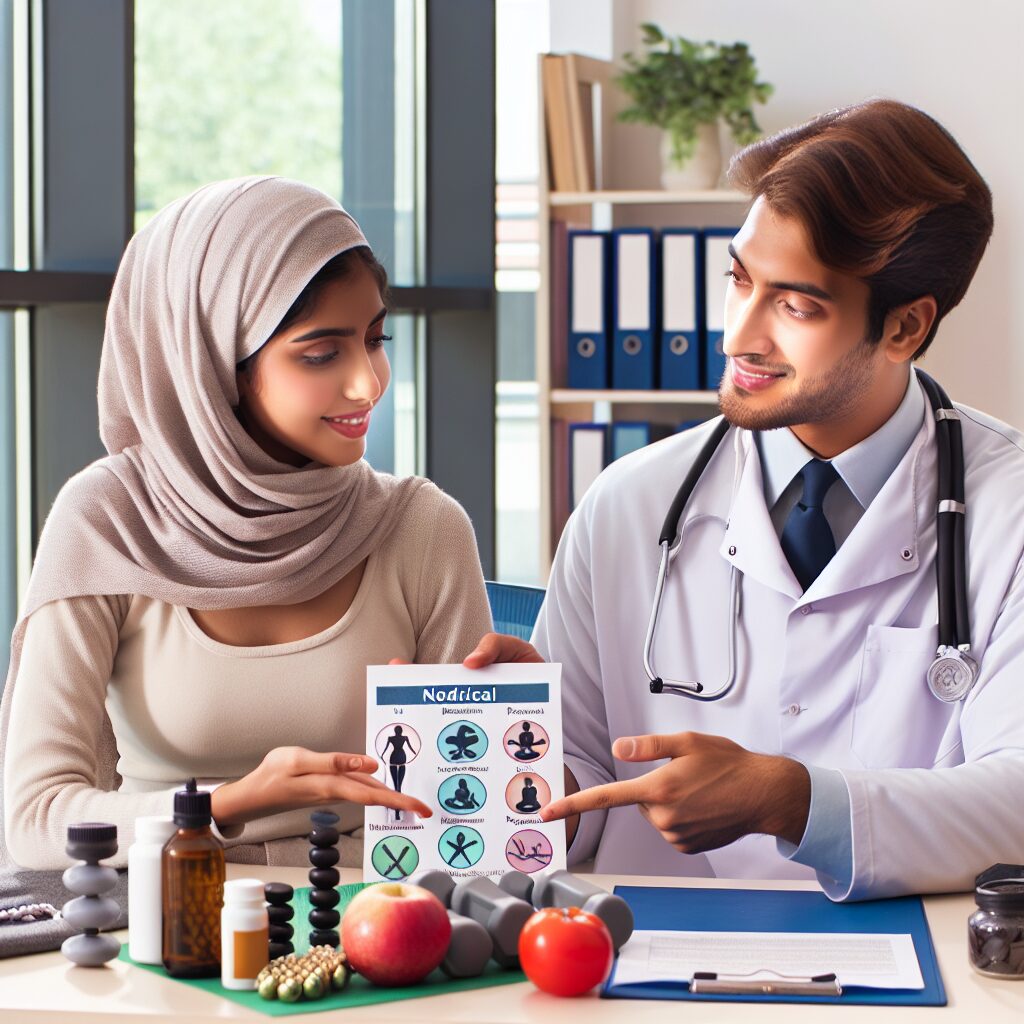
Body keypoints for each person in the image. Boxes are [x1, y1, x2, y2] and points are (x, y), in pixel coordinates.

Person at [465, 99, 1024, 901]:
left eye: (794, 305)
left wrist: (792, 799)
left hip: (916, 980)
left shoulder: (1009, 514)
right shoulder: (629, 503)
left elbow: (1016, 801)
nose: (738, 336)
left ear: (905, 327)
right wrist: (519, 750)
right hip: (645, 960)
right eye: (739, 279)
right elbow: (579, 790)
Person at [0, 176, 493, 875]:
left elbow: (473, 822)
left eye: (375, 339)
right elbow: (36, 820)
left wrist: (511, 734)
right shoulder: (109, 521)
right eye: (322, 353)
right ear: (211, 367)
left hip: (373, 921)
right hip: (164, 926)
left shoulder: (421, 528)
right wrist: (224, 806)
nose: (369, 383)